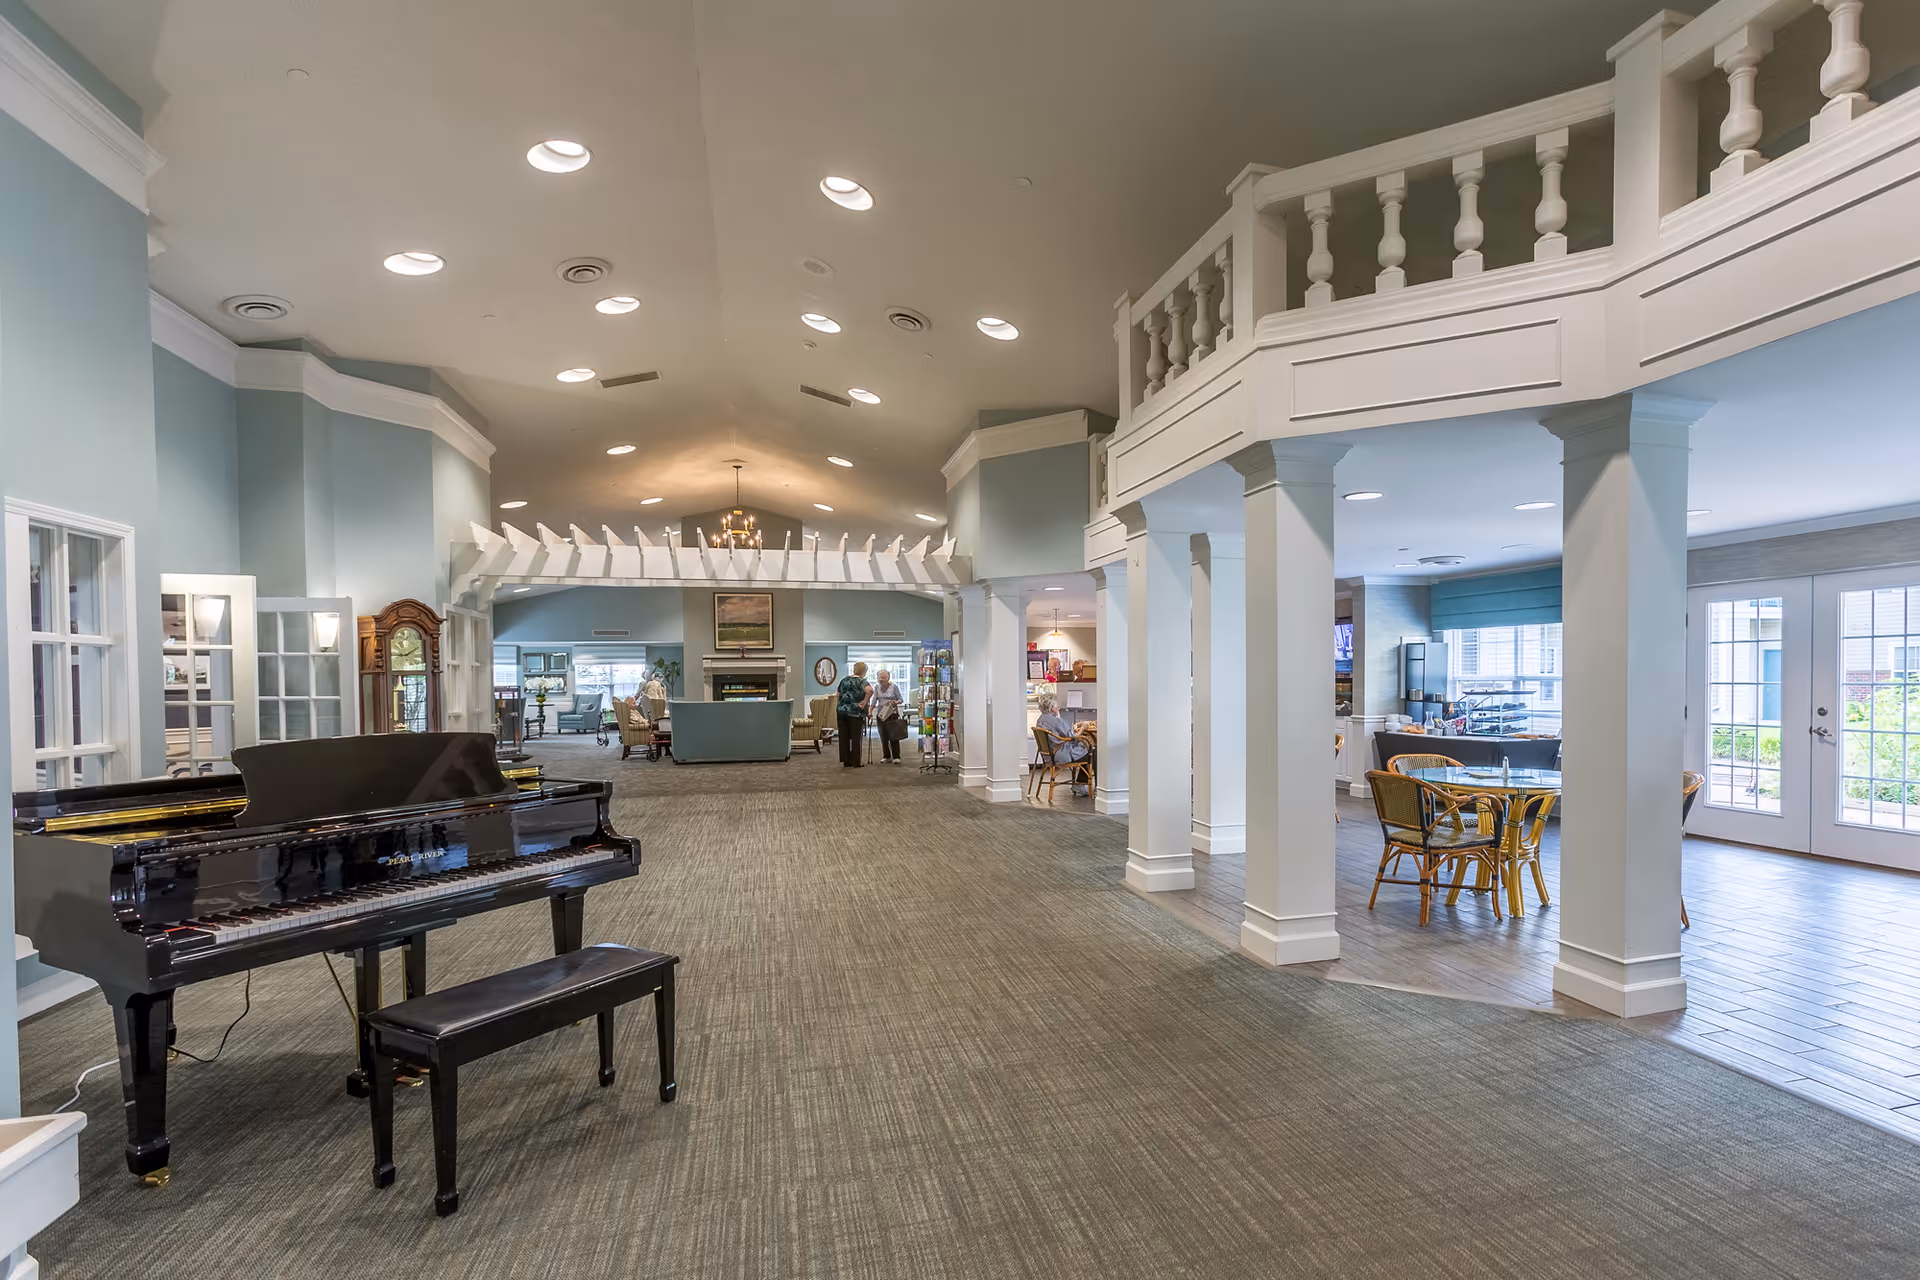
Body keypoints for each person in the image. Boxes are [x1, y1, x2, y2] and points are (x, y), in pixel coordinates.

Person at [1036, 694, 1095, 796]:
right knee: (1091, 750)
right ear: (1053, 707)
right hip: (1061, 754)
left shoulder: (1041, 719)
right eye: (1057, 706)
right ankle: (1083, 784)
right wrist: (1083, 728)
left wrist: (1058, 716)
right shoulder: (1056, 721)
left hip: (1049, 755)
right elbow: (1072, 737)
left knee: (1087, 751)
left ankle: (1080, 783)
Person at [835, 661, 871, 767]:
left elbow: (837, 695)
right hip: (855, 712)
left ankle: (846, 761)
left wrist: (843, 704)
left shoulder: (844, 680)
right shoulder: (861, 681)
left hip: (841, 711)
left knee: (844, 737)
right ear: (864, 671)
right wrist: (865, 701)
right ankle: (856, 762)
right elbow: (870, 690)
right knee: (856, 737)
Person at [871, 668, 906, 763]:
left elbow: (901, 699)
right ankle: (886, 756)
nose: (881, 679)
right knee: (883, 736)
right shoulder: (877, 688)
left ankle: (896, 756)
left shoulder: (894, 687)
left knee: (894, 736)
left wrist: (894, 702)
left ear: (888, 678)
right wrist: (870, 711)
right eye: (880, 677)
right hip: (881, 714)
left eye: (883, 677)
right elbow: (874, 701)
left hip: (892, 714)